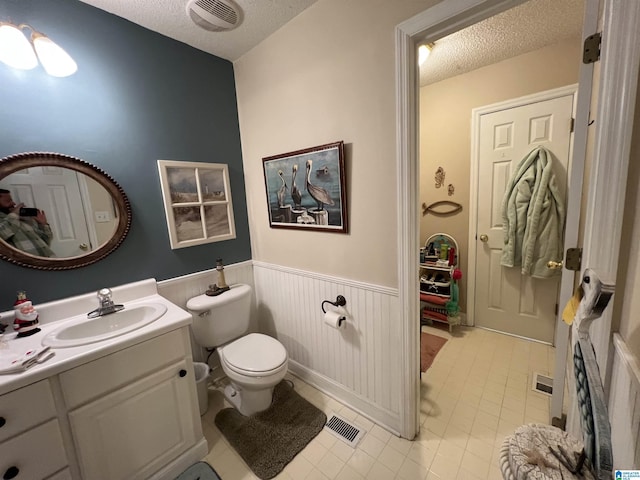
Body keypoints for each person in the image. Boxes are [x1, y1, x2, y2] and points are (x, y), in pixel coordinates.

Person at [0, 188, 55, 257]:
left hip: (49, 261)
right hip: (26, 265)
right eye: (8, 201)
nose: (13, 203)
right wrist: (14, 214)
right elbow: (2, 234)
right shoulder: (11, 218)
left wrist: (43, 224)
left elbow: (46, 241)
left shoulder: (24, 219)